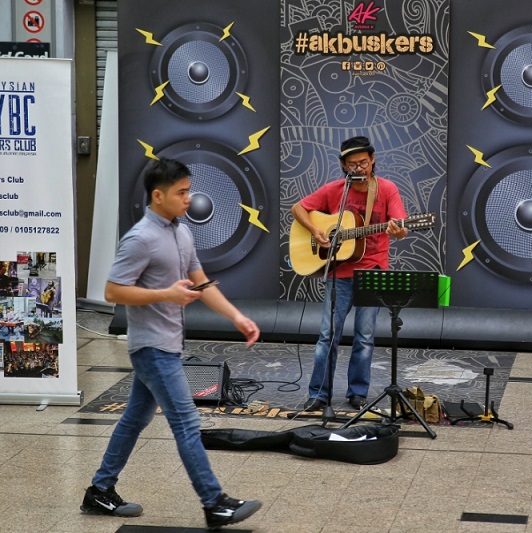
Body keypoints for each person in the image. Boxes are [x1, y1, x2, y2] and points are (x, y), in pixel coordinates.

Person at [81, 158, 262, 530]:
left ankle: (99, 489)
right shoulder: (140, 238)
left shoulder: (181, 233)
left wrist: (236, 317)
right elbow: (113, 290)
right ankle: (215, 503)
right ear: (158, 195)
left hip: (169, 343)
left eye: (188, 190)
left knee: (135, 418)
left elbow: (201, 282)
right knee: (185, 423)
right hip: (151, 346)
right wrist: (165, 293)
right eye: (181, 192)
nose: (189, 198)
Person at [291, 136, 409, 412]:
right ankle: (319, 394)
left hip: (373, 271)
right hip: (339, 273)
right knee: (327, 336)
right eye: (353, 164)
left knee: (364, 337)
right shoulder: (334, 191)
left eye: (364, 162)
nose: (359, 168)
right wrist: (315, 230)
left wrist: (399, 229)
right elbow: (298, 208)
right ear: (344, 165)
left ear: (373, 159)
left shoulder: (387, 189)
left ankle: (357, 393)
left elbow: (401, 227)